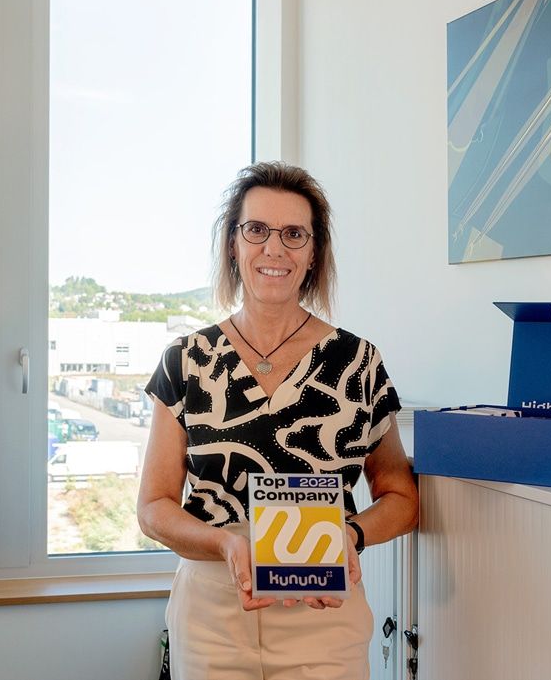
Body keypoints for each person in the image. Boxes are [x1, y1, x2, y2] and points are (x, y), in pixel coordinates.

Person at [137, 161, 419, 680]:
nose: (274, 248)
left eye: (294, 234)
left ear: (313, 253)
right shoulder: (186, 360)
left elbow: (401, 497)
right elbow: (153, 507)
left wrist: (351, 535)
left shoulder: (358, 363)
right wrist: (226, 544)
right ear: (233, 244)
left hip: (324, 615)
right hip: (212, 614)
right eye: (256, 230)